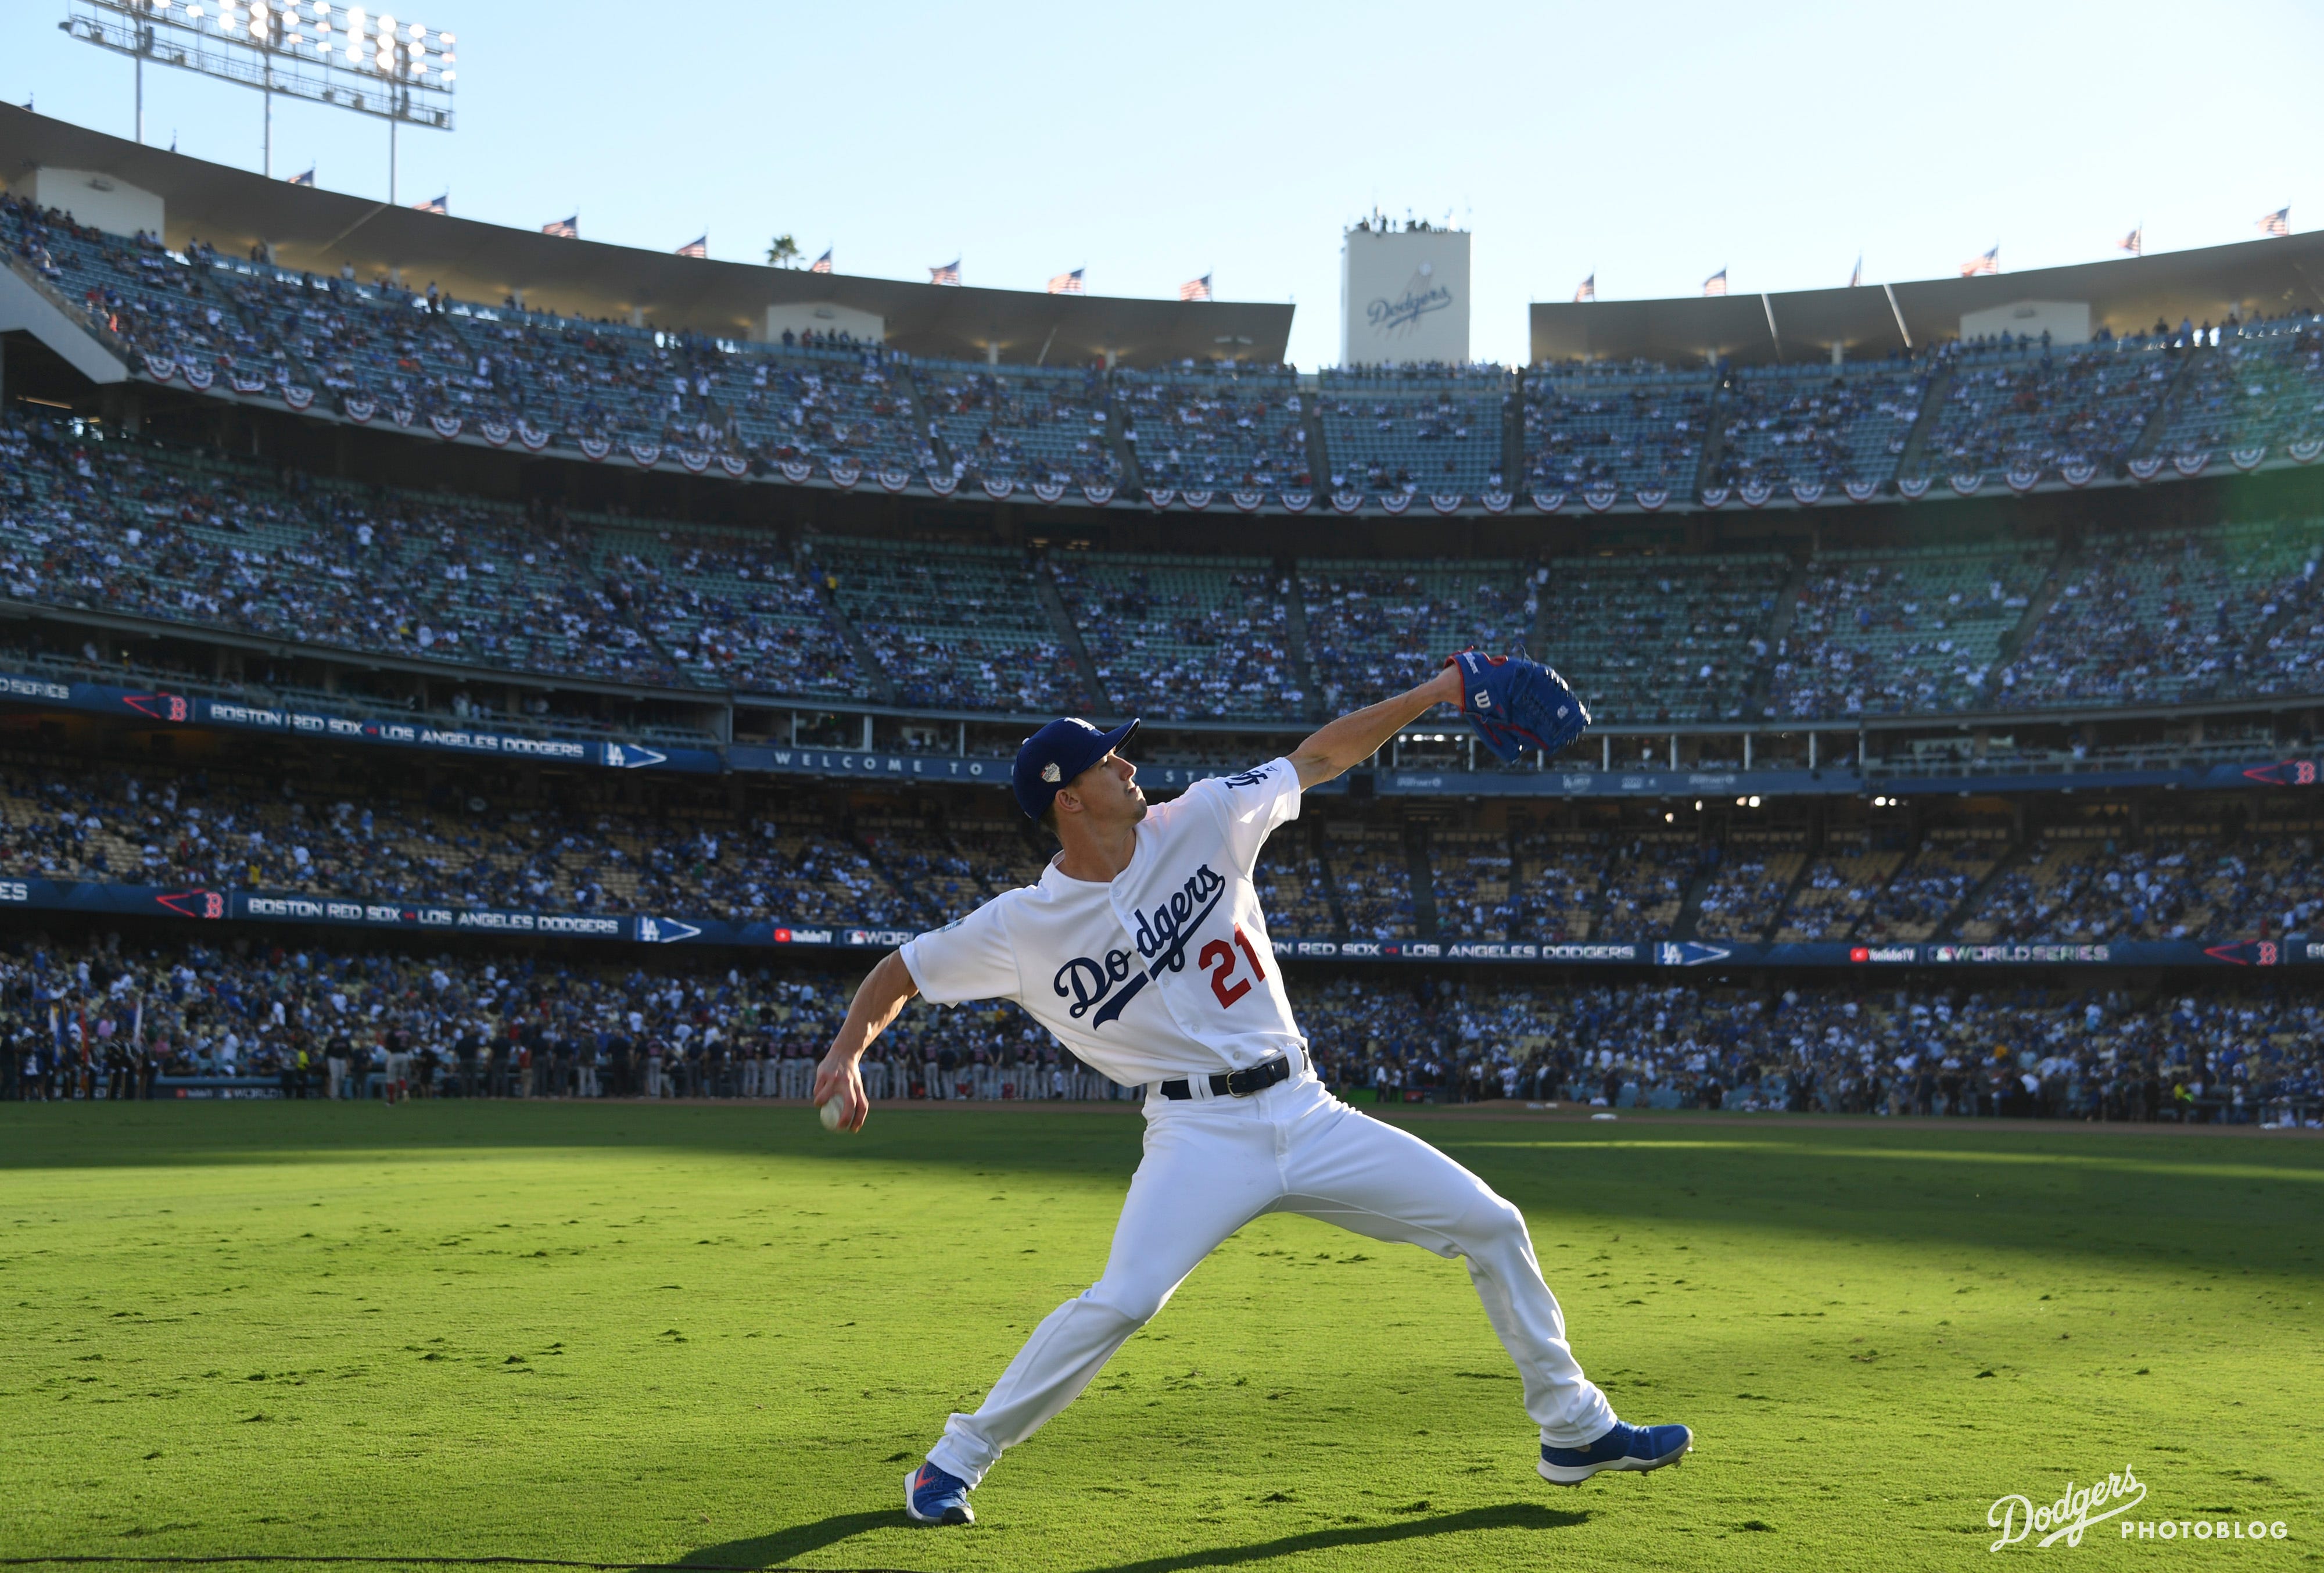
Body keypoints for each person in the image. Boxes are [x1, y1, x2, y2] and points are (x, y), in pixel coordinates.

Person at [814, 665, 1691, 1528]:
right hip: (1197, 1133)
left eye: (1121, 755)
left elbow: (1317, 759)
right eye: (1106, 763)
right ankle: (955, 1459)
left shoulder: (1202, 815)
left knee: (1492, 1223)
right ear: (1066, 801)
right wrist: (850, 1048)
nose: (1128, 766)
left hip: (1308, 1111)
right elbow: (904, 970)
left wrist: (1436, 693)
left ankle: (1575, 1431)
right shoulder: (1018, 925)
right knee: (1123, 1301)